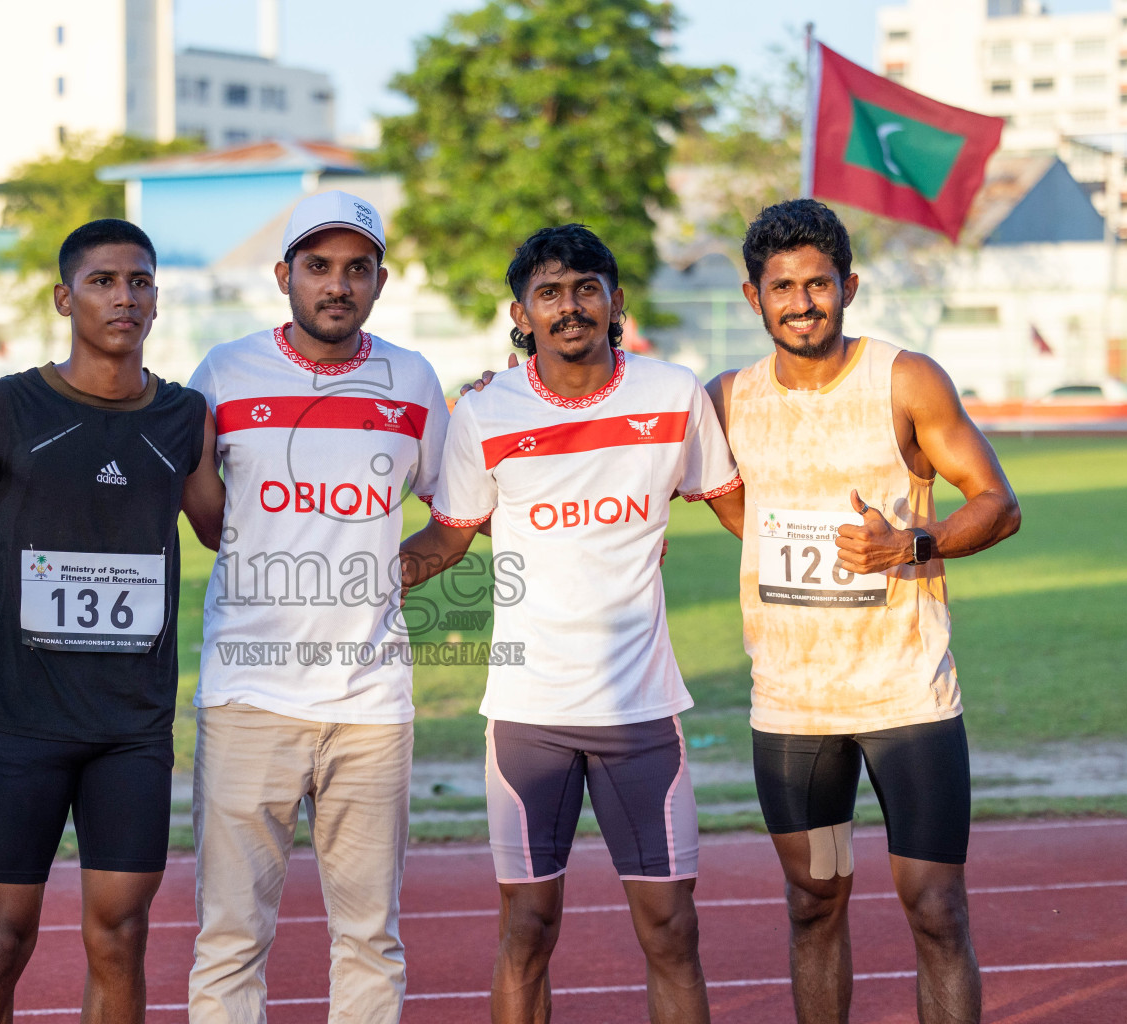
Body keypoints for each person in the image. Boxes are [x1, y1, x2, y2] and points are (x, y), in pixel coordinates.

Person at [401, 224, 743, 1024]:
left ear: (615, 301)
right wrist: (362, 579)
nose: (570, 306)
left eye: (586, 287)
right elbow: (450, 535)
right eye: (549, 292)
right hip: (529, 714)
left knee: (671, 930)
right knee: (527, 927)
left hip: (642, 712)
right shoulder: (484, 411)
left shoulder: (672, 394)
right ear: (520, 314)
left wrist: (839, 551)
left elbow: (744, 516)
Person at [706, 198, 1020, 1024]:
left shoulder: (904, 379)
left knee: (935, 911)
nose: (802, 302)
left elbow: (998, 502)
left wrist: (911, 548)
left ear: (849, 285)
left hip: (905, 699)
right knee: (816, 903)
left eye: (818, 283)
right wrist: (509, 379)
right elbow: (626, 436)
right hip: (795, 710)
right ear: (753, 297)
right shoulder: (726, 400)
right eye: (782, 287)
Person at [0, 219, 224, 1023]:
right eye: (102, 281)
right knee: (1, 938)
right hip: (25, 722)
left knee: (121, 935)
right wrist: (12, 598)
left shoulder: (185, 419)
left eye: (140, 281)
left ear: (157, 299)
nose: (124, 297)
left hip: (131, 728)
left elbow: (227, 532)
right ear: (65, 297)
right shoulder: (2, 407)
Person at [185, 191, 450, 1024]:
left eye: (356, 269)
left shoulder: (411, 379)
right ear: (284, 275)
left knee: (371, 937)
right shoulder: (223, 373)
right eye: (319, 267)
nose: (337, 284)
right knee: (230, 938)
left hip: (371, 704)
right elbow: (202, 511)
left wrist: (395, 567)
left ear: (379, 282)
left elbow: (455, 509)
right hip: (246, 695)